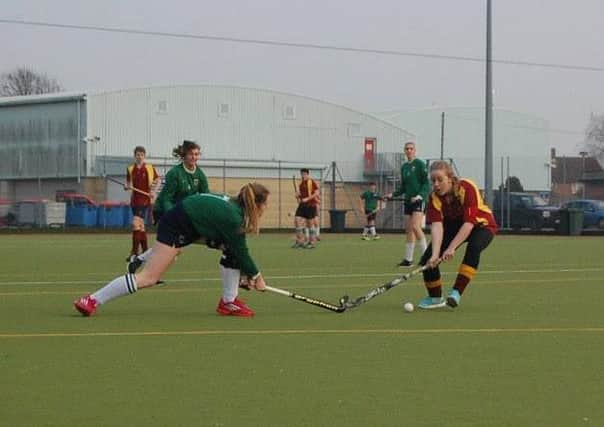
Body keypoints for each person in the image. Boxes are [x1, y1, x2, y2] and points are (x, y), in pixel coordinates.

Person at [74, 183, 270, 318]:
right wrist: (257, 276)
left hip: (190, 225)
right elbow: (242, 250)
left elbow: (236, 250)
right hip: (177, 225)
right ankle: (91, 300)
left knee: (231, 251)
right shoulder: (233, 218)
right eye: (265, 204)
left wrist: (246, 273)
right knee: (149, 277)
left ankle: (229, 302)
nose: (266, 208)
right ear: (256, 204)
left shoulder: (233, 206)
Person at [416, 161, 497, 309]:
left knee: (474, 247)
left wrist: (451, 248)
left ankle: (456, 293)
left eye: (440, 180)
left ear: (450, 178)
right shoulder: (434, 197)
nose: (435, 184)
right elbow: (437, 226)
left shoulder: (466, 187)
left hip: (480, 225)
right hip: (453, 227)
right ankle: (435, 298)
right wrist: (435, 254)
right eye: (433, 180)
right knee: (427, 259)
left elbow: (468, 224)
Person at [127, 140, 209, 273]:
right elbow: (166, 199)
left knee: (172, 246)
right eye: (191, 154)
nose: (194, 157)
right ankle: (146, 269)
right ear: (184, 155)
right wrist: (174, 216)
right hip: (164, 211)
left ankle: (139, 260)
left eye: (196, 154)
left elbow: (206, 196)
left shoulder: (200, 175)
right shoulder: (175, 173)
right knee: (172, 247)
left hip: (183, 214)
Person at [388, 141, 430, 266]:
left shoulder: (420, 164)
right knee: (409, 230)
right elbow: (403, 187)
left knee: (416, 227)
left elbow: (426, 184)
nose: (409, 151)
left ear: (415, 150)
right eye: (407, 149)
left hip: (419, 201)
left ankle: (426, 258)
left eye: (411, 148)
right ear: (404, 151)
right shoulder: (404, 167)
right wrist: (392, 194)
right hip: (408, 201)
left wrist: (419, 196)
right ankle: (408, 260)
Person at [125, 146, 160, 261]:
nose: (139, 157)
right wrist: (127, 186)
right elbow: (128, 183)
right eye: (137, 155)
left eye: (141, 155)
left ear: (144, 156)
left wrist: (153, 192)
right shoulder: (130, 169)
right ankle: (145, 251)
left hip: (145, 200)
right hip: (134, 200)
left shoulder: (149, 168)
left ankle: (134, 253)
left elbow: (158, 180)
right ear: (134, 156)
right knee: (141, 226)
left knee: (135, 224)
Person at [292, 168, 320, 249]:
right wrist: (298, 196)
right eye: (302, 174)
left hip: (311, 205)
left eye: (304, 174)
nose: (303, 175)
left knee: (310, 224)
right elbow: (301, 195)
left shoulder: (311, 182)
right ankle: (300, 241)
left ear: (307, 174)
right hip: (302, 205)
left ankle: (311, 242)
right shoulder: (301, 184)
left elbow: (316, 193)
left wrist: (307, 199)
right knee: (296, 220)